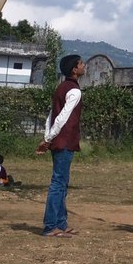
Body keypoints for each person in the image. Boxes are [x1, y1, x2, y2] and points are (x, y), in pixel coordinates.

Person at [35, 54, 86, 238]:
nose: (83, 65)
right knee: (58, 184)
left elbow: (51, 115)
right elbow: (61, 117)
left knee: (62, 183)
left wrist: (47, 137)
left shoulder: (61, 88)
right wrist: (48, 138)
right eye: (81, 63)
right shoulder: (74, 91)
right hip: (64, 141)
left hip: (60, 141)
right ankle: (50, 226)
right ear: (74, 69)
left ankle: (61, 224)